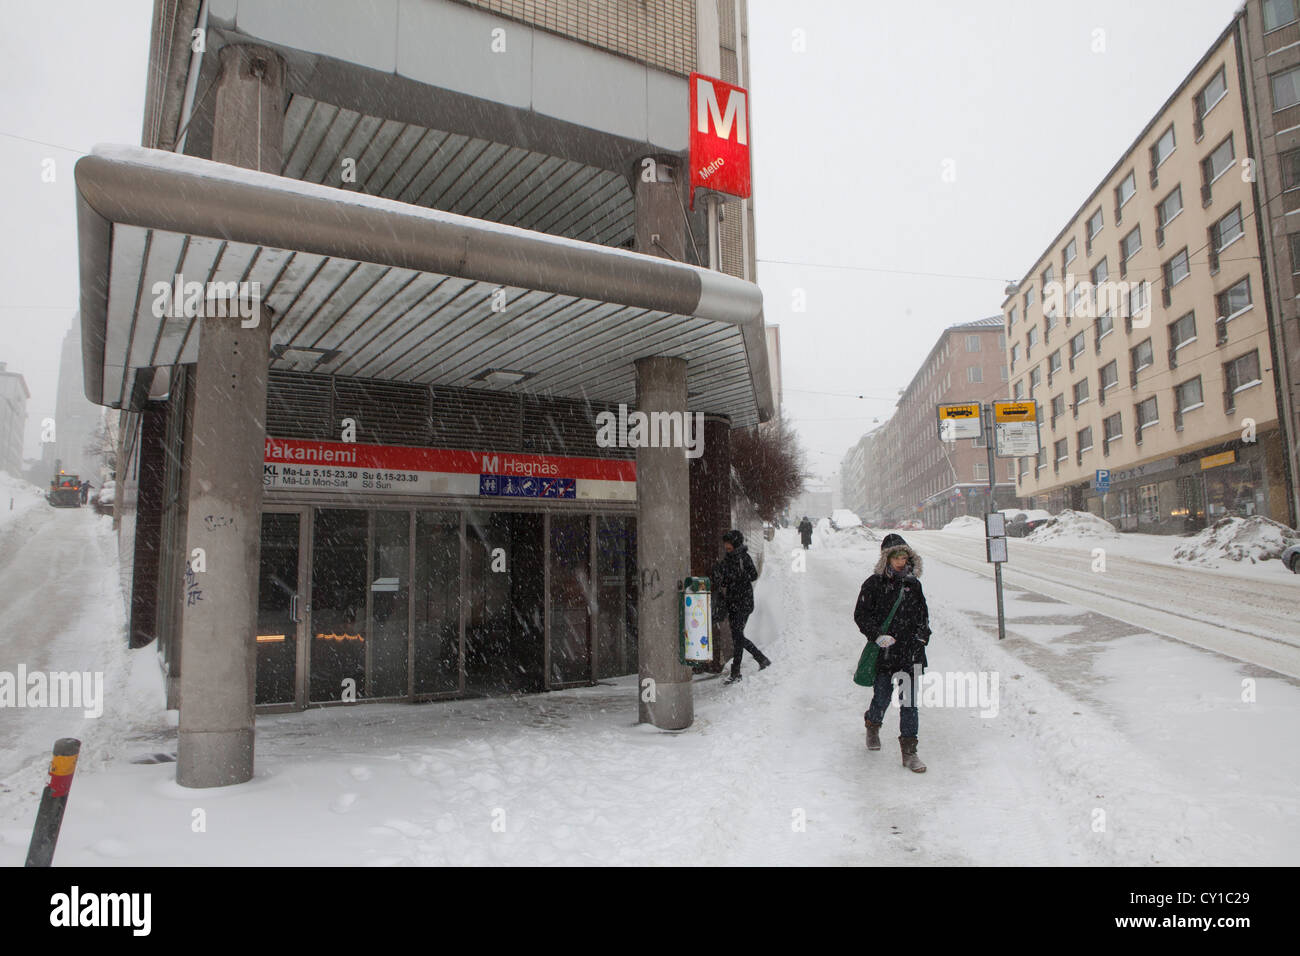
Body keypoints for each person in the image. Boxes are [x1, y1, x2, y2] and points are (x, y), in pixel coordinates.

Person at [852, 533, 931, 772]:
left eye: (903, 555)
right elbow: (861, 615)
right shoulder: (873, 584)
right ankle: (872, 723)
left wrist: (922, 636)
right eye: (895, 556)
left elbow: (923, 617)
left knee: (909, 703)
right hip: (885, 654)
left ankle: (910, 753)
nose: (900, 561)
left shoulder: (913, 584)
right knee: (882, 698)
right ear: (886, 558)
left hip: (910, 653)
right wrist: (877, 635)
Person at [712, 529, 770, 683]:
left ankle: (749, 664)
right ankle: (754, 663)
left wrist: (736, 576)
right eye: (726, 545)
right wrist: (719, 574)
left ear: (735, 544)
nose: (726, 548)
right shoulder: (727, 560)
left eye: (729, 545)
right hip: (732, 603)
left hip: (743, 603)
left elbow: (753, 575)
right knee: (737, 637)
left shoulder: (744, 558)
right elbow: (724, 581)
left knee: (737, 636)